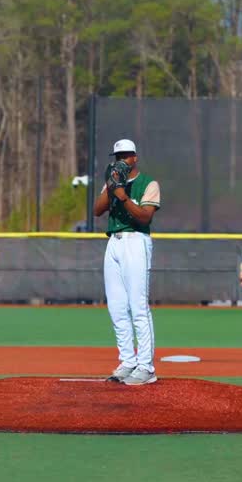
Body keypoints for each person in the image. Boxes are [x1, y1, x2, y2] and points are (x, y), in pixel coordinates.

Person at [94, 139, 161, 385]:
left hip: (136, 240)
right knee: (117, 307)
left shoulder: (148, 183)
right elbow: (97, 210)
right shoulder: (113, 182)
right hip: (114, 241)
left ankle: (146, 367)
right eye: (117, 156)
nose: (121, 160)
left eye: (125, 156)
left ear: (135, 157)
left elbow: (145, 217)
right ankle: (128, 361)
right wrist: (112, 187)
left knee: (138, 306)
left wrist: (123, 198)